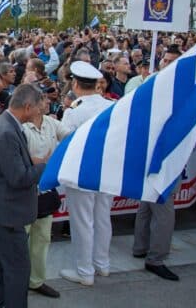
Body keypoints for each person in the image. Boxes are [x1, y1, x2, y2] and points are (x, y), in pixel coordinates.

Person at [0, 83, 48, 308]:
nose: (40, 111)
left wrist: (31, 163)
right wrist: (44, 166)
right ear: (27, 107)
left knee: (0, 264)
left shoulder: (6, 124)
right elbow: (18, 178)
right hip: (6, 213)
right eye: (38, 107)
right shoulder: (7, 131)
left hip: (1, 209)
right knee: (18, 269)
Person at [59, 61, 115, 286]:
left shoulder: (74, 111)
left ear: (75, 84)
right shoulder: (111, 106)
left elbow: (64, 142)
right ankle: (102, 264)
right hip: (106, 169)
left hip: (81, 170)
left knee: (82, 221)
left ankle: (85, 271)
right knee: (102, 217)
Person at [131, 51, 181, 282]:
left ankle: (141, 247)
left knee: (148, 204)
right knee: (162, 208)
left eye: (172, 61)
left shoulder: (169, 86)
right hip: (159, 156)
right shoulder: (157, 85)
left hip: (158, 153)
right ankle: (156, 257)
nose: (167, 64)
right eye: (165, 60)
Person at [22, 91, 71, 299]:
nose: (48, 102)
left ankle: (36, 281)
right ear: (32, 104)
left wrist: (53, 159)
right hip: (24, 192)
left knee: (42, 238)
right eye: (43, 100)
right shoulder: (21, 127)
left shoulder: (51, 123)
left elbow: (71, 137)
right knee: (20, 238)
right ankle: (16, 280)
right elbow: (21, 159)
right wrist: (44, 162)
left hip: (44, 190)